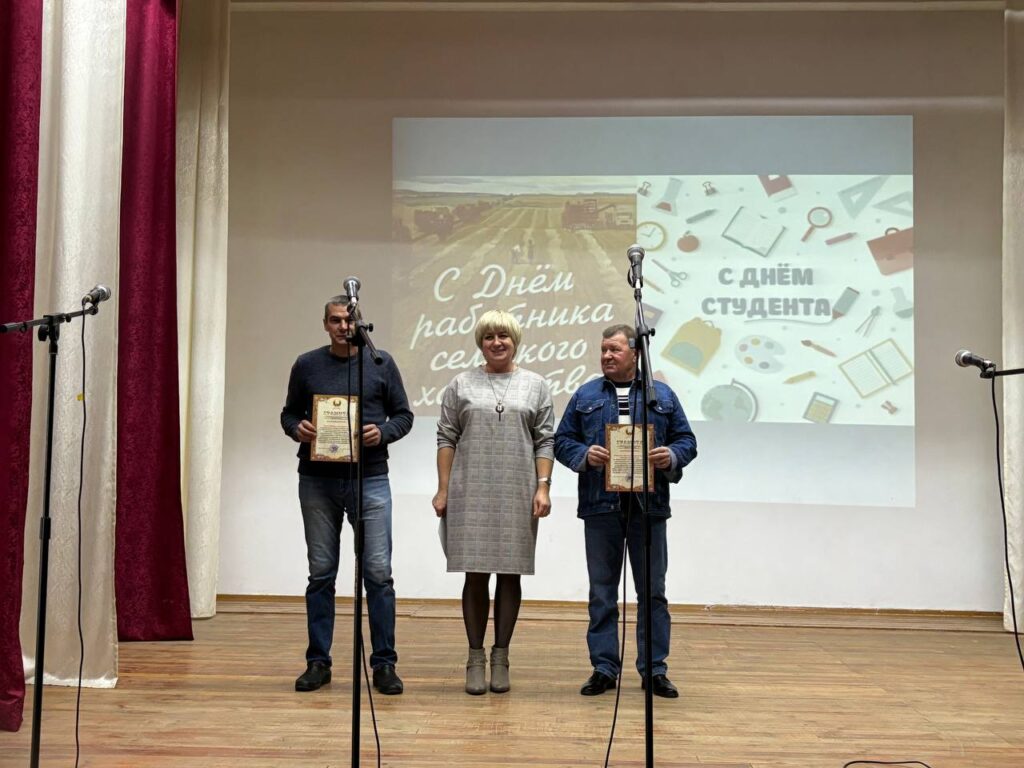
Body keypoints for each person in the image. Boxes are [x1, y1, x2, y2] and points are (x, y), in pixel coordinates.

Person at [554, 324, 697, 699]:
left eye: (614, 350)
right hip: (601, 506)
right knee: (602, 592)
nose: (606, 356)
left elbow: (687, 440)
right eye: (603, 349)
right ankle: (604, 668)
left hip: (648, 507)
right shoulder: (585, 394)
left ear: (635, 353)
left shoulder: (660, 394)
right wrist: (584, 455)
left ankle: (654, 669)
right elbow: (562, 440)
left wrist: (671, 456)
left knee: (653, 593)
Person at [280, 297, 414, 694]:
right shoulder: (307, 364)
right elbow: (288, 413)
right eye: (336, 321)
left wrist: (383, 432)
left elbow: (404, 415)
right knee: (321, 573)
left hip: (369, 478)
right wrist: (297, 429)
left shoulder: (380, 363)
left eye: (349, 320)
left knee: (378, 574)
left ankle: (384, 665)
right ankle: (318, 663)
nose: (343, 327)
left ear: (360, 324)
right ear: (325, 324)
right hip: (317, 480)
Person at [432, 309, 555, 695]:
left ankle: (501, 656)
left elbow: (545, 440)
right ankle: (475, 657)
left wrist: (543, 487)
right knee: (474, 574)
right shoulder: (460, 383)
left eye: (503, 336)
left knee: (510, 573)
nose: (497, 342)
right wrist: (443, 489)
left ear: (515, 341)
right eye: (489, 337)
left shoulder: (536, 384)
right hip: (470, 489)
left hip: (517, 490)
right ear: (480, 343)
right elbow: (446, 437)